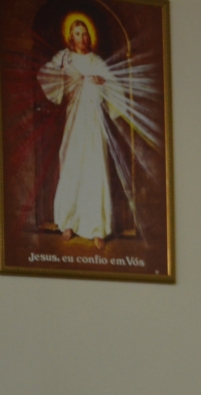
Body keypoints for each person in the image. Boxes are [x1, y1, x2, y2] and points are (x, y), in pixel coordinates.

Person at [37, 17, 121, 250]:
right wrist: (63, 73)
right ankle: (69, 222)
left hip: (94, 124)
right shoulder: (65, 57)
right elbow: (47, 76)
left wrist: (102, 82)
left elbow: (114, 86)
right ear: (70, 37)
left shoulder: (97, 61)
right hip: (75, 122)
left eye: (84, 33)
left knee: (95, 169)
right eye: (77, 33)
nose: (81, 38)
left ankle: (97, 227)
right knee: (73, 165)